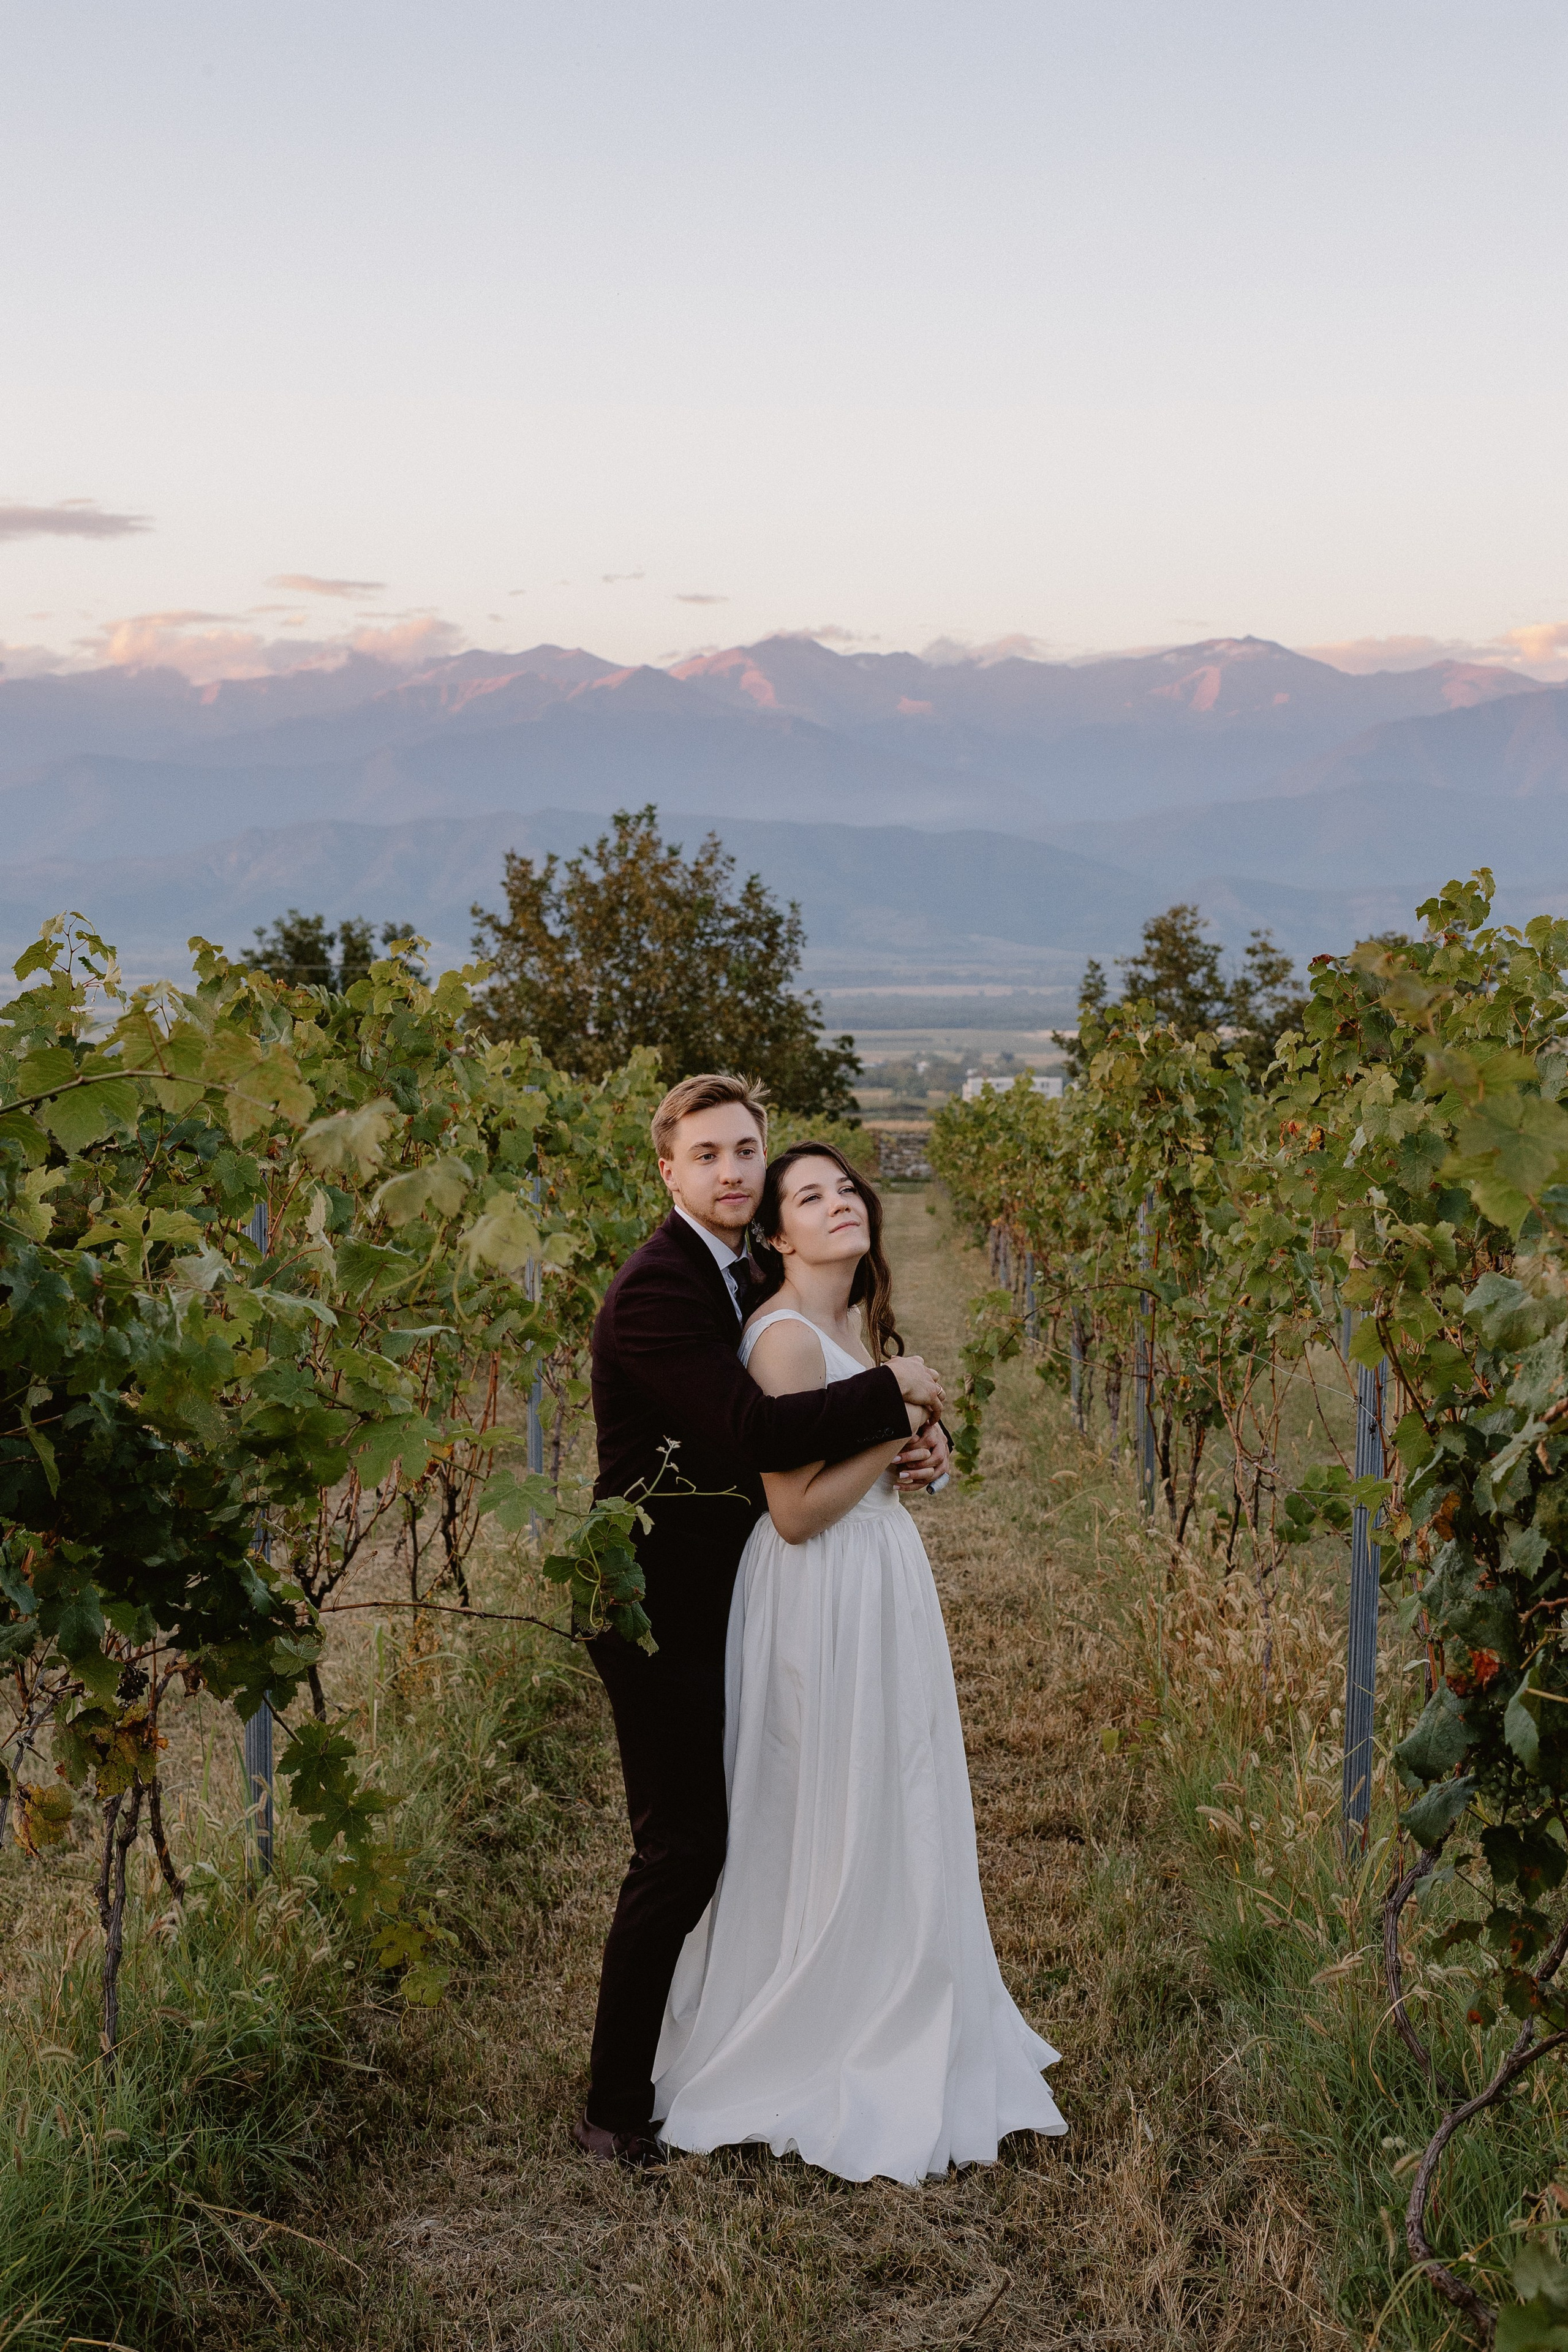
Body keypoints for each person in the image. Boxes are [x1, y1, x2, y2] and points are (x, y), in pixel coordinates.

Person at [654, 1140, 1066, 2183]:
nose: (839, 1203)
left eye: (846, 1187)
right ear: (778, 1236)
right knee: (826, 1797)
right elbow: (794, 1512)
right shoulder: (785, 1339)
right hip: (818, 1594)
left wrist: (925, 1449)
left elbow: (885, 1450)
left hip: (878, 1579)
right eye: (809, 1196)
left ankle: (901, 1985)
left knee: (893, 1789)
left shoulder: (854, 1323)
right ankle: (828, 2019)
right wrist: (897, 1423)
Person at [576, 1074, 951, 2166]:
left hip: (729, 1597)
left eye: (747, 1151)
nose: (733, 1171)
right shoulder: (659, 1289)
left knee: (756, 1830)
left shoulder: (740, 1272)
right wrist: (898, 1393)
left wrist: (906, 1440)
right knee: (683, 1849)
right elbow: (754, 1430)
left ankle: (764, 2028)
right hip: (656, 1606)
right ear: (668, 1170)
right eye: (709, 1155)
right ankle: (614, 2107)